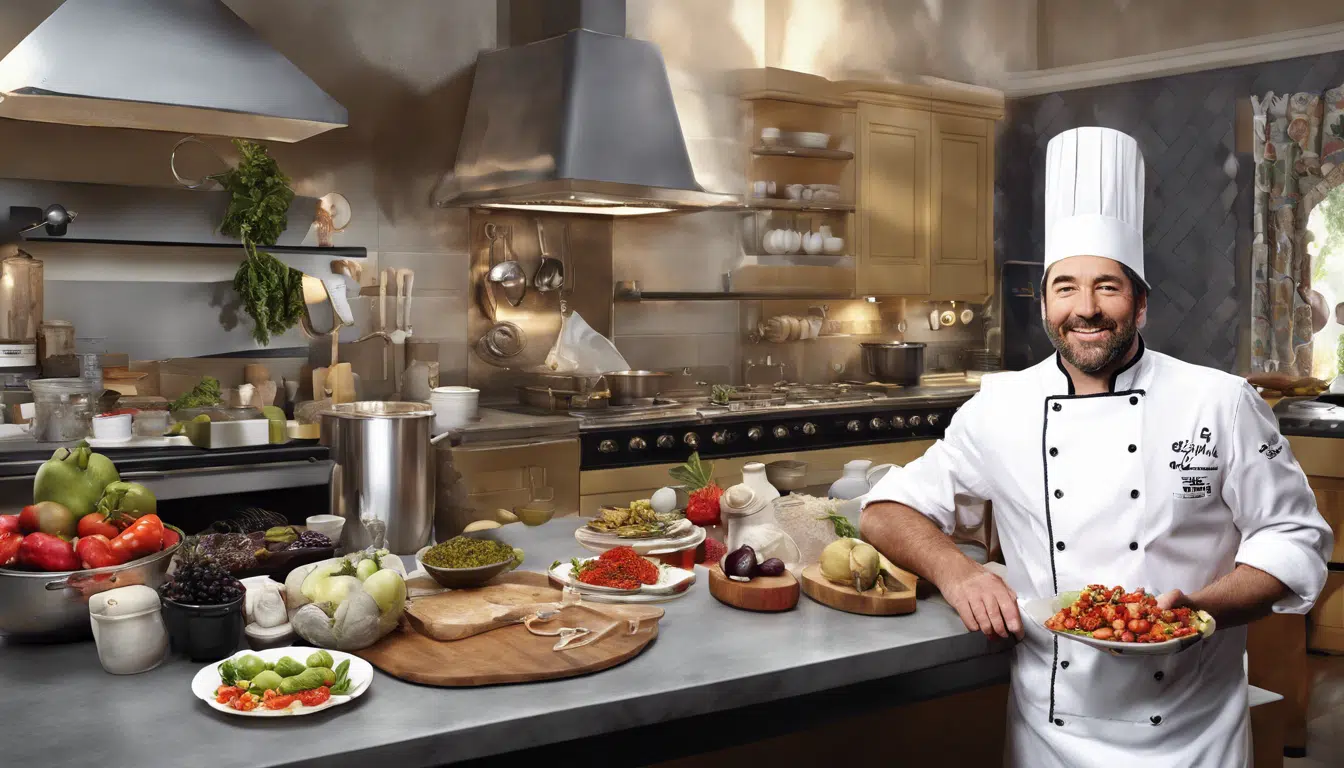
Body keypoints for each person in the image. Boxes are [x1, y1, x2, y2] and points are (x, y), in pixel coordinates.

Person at [861, 126, 1333, 767]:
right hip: (1050, 729)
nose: (1086, 308)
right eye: (1066, 288)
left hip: (1193, 729)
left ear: (1140, 305)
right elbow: (886, 509)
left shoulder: (1219, 401)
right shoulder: (1001, 407)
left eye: (1107, 287)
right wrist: (959, 572)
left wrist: (1197, 611)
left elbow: (1296, 536)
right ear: (1046, 306)